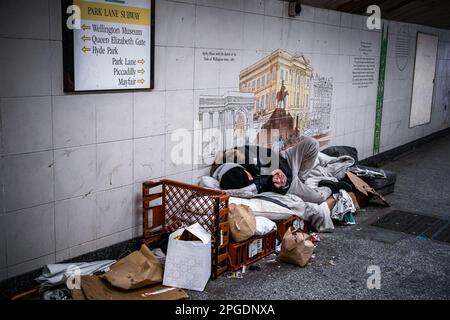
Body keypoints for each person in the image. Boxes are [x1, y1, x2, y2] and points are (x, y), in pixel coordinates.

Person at [212, 136, 352, 205]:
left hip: (283, 160)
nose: (250, 179)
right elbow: (254, 187)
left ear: (241, 167)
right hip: (284, 183)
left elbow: (268, 156)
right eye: (248, 181)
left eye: (248, 175)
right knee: (318, 198)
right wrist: (282, 182)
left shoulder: (240, 155)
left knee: (312, 143)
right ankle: (331, 186)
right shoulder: (242, 184)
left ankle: (302, 179)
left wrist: (277, 170)